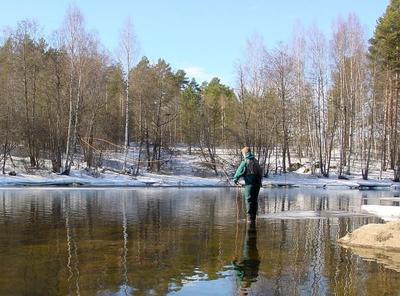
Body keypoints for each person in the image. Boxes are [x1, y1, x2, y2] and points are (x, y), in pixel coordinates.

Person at [233, 147, 263, 222]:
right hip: (258, 184)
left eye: (243, 153)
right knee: (254, 200)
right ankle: (253, 218)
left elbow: (239, 171)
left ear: (245, 153)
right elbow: (260, 173)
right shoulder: (256, 161)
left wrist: (235, 180)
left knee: (249, 200)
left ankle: (249, 219)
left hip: (250, 184)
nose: (243, 155)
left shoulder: (245, 161)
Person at [232, 222, 260, 295]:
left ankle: (252, 225)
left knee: (253, 241)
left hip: (256, 257)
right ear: (241, 289)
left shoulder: (254, 278)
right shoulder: (241, 278)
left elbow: (258, 265)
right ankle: (250, 223)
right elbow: (236, 267)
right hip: (248, 257)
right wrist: (234, 261)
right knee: (248, 240)